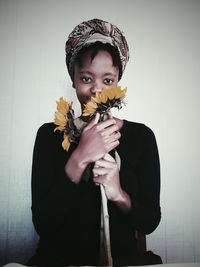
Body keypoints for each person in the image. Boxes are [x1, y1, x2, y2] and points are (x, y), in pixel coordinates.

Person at [27, 18, 161, 266]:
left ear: (118, 81)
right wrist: (79, 158)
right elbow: (43, 225)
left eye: (107, 80)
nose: (96, 90)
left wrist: (118, 192)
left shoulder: (142, 137)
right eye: (86, 79)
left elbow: (149, 222)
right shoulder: (48, 136)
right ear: (74, 79)